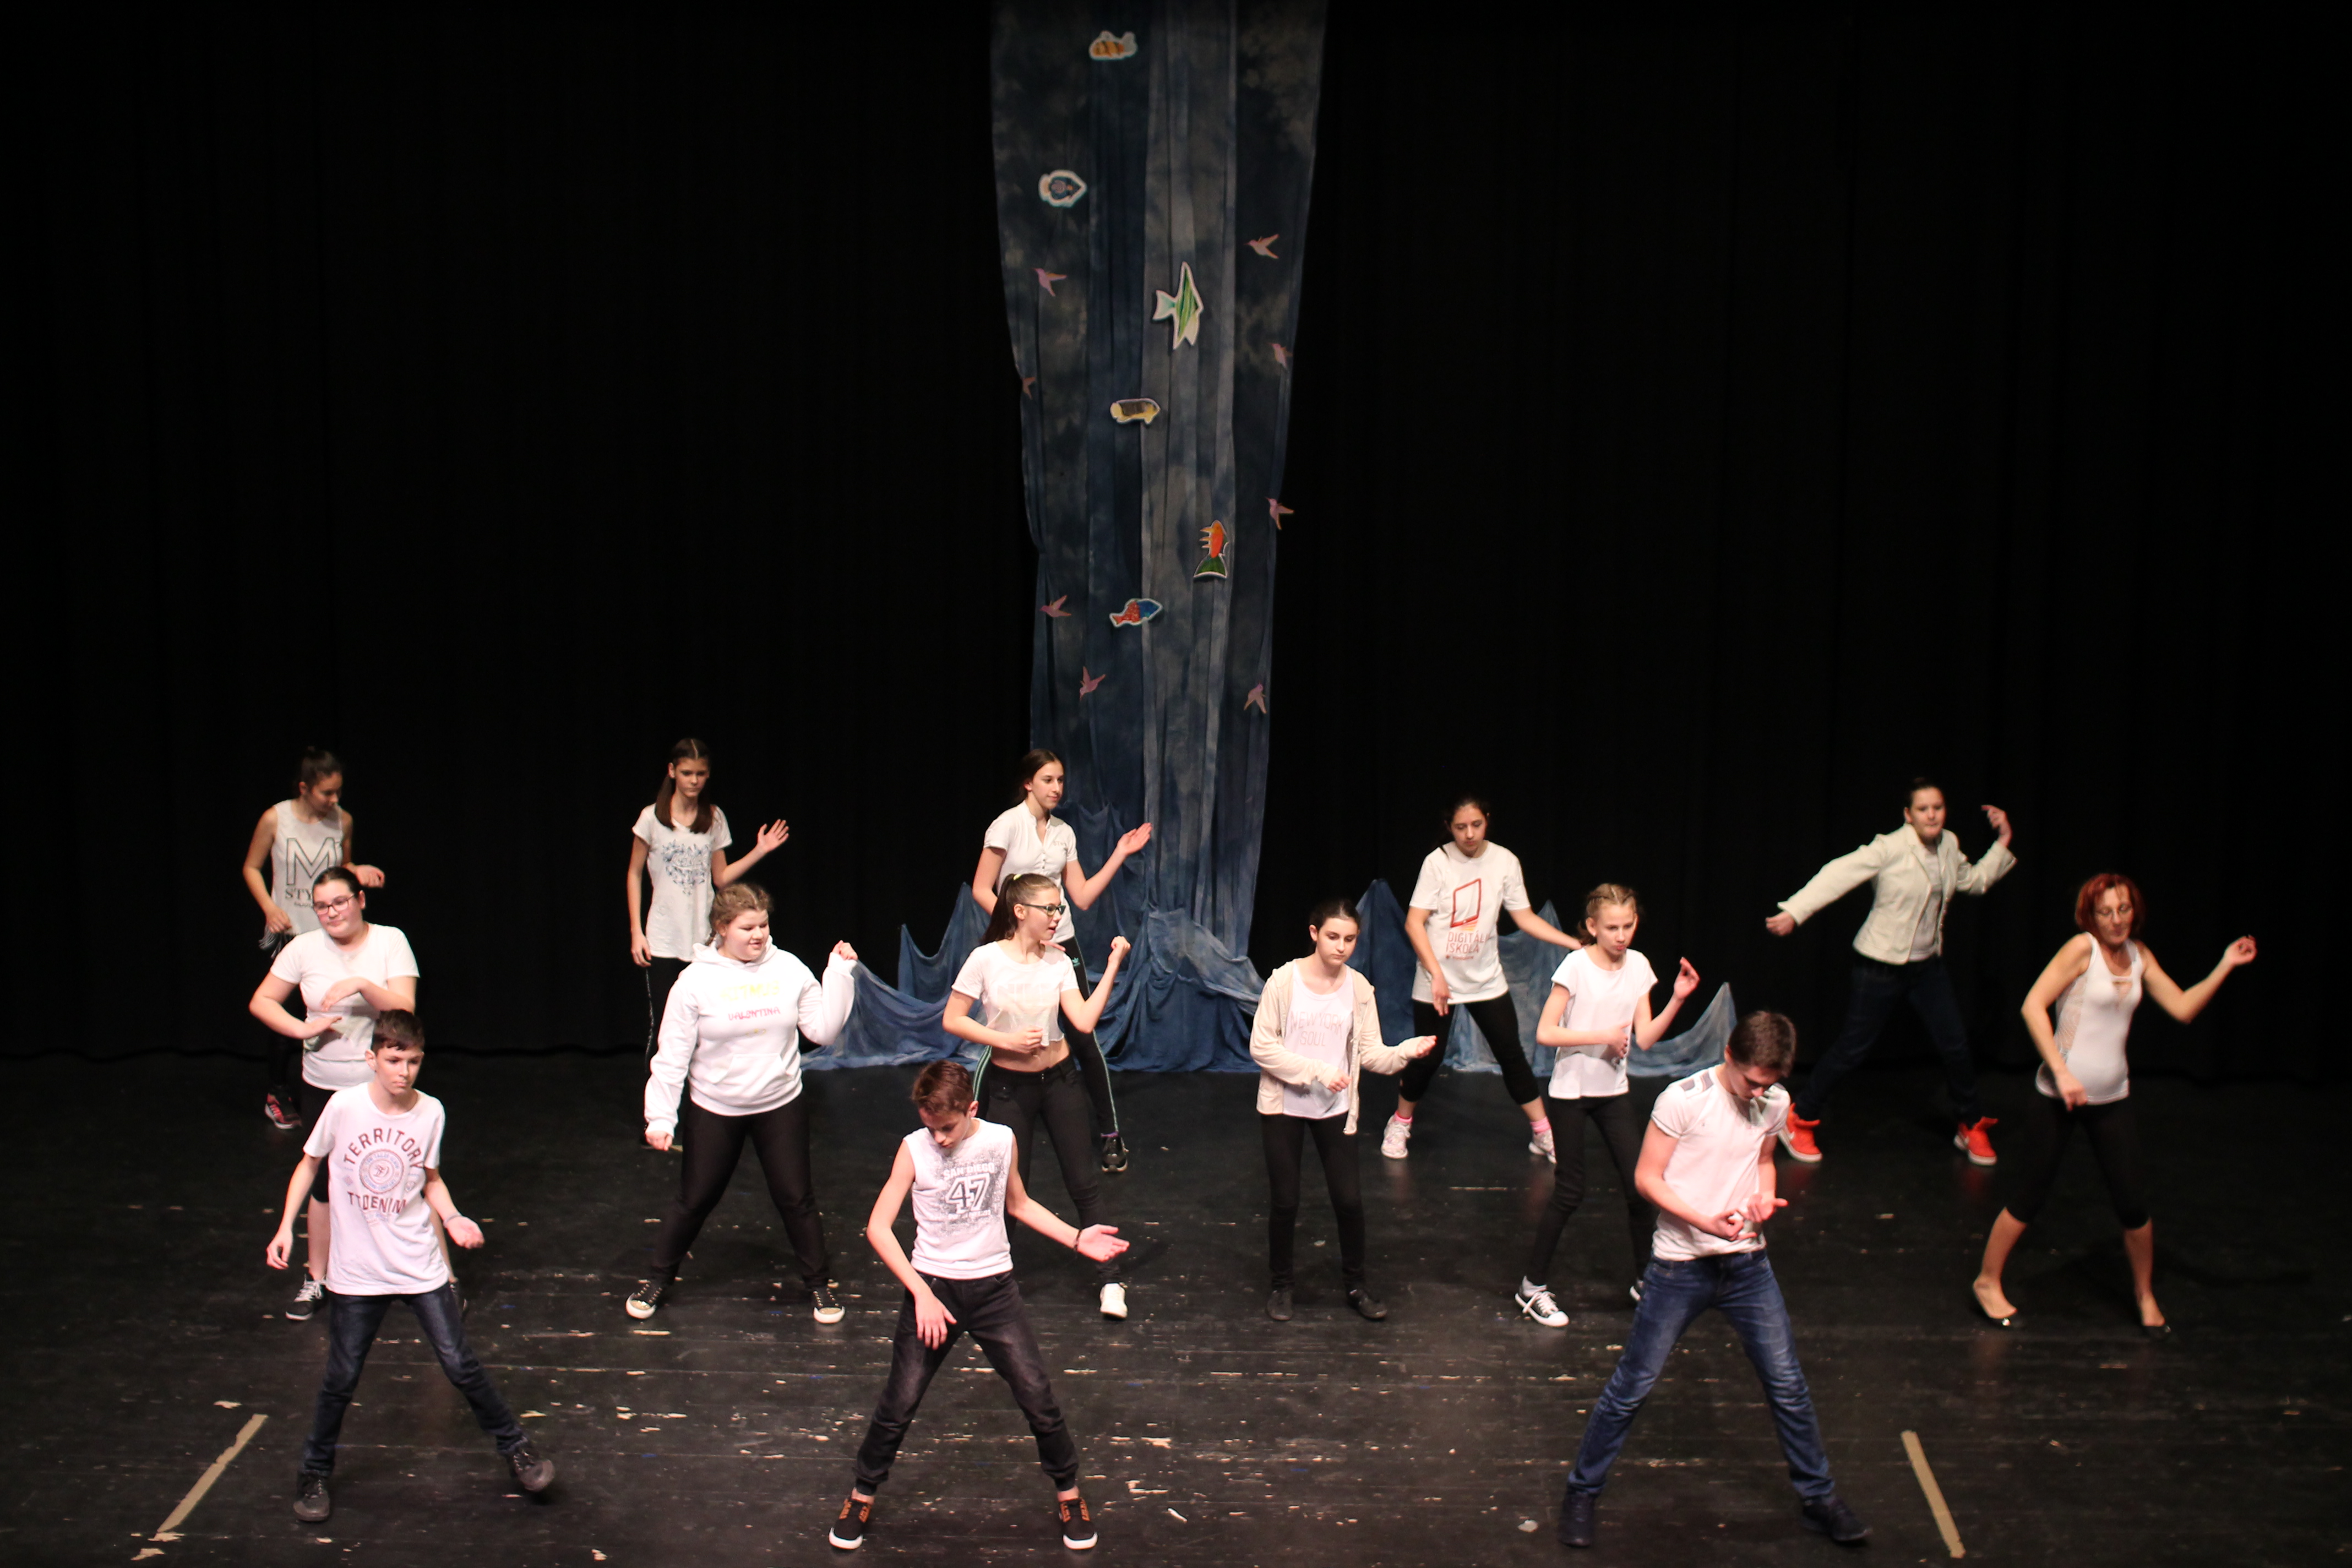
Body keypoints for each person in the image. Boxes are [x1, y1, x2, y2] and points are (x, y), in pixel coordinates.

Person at [1556, 1012, 1869, 1549]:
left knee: (1788, 1386)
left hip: (1747, 1265)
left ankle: (1819, 1498)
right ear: (1728, 1055)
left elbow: (1764, 1160)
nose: (1758, 1092)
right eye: (1751, 1080)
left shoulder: (1775, 1102)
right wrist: (1702, 1220)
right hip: (1680, 1265)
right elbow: (1646, 1178)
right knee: (1633, 1386)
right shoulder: (1683, 1100)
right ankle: (1581, 1493)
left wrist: (1763, 1199)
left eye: (1768, 1083)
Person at [265, 1011, 553, 1522]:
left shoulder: (430, 1112)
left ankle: (518, 1450)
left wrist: (454, 1217)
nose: (404, 1072)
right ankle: (314, 1472)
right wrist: (286, 1226)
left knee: (460, 1364)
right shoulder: (344, 1107)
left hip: (417, 1263)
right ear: (371, 1058)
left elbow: (430, 1178)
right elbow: (309, 1165)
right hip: (357, 1272)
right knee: (341, 1377)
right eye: (394, 1060)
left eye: (414, 1061)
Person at [828, 1060, 1124, 1553]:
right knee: (899, 1404)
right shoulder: (914, 1149)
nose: (939, 1139)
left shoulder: (1001, 1140)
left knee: (1038, 1398)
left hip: (993, 1291)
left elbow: (1019, 1204)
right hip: (934, 1290)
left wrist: (1077, 1238)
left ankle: (1069, 1494)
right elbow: (878, 1227)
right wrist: (922, 1293)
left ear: (971, 1109)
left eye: (947, 1127)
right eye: (931, 1128)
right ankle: (861, 1494)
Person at [1971, 875, 2255, 1336]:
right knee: (2030, 1196)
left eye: (2123, 909)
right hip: (2058, 1096)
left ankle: (2144, 1294)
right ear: (2091, 917)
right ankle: (1986, 1282)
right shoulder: (2081, 950)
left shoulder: (2141, 956)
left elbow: (2183, 1008)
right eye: (2106, 912)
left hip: (2111, 1098)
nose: (2117, 919)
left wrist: (2225, 964)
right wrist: (2062, 1074)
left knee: (2132, 1203)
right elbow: (2032, 1006)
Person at [631, 880, 857, 1324]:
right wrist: (660, 1117)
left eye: (763, 926)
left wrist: (839, 975)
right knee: (694, 1199)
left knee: (796, 1199)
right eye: (747, 928)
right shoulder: (695, 982)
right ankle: (657, 1278)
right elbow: (672, 1055)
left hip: (779, 1104)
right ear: (721, 928)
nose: (758, 935)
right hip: (717, 1108)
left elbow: (823, 1032)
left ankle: (819, 1285)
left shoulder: (788, 968)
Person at [1765, 778, 2016, 1165]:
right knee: (1852, 1048)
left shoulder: (1949, 845)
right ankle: (1800, 1117)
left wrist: (2003, 842)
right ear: (1908, 815)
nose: (1931, 815)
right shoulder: (1890, 848)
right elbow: (1839, 873)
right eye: (1923, 809)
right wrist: (1795, 912)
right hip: (1880, 965)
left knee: (1955, 1045)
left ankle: (1970, 1123)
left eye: (1937, 808)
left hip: (1926, 966)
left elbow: (1975, 882)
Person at [944, 873, 1133, 1318]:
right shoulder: (986, 959)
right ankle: (995, 1281)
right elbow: (953, 1018)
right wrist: (1005, 1041)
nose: (1056, 917)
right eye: (1049, 909)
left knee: (1083, 1181)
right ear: (1020, 911)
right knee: (1010, 1186)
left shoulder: (1057, 961)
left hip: (1060, 1081)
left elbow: (1083, 1021)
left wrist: (1113, 966)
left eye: (1059, 909)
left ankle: (1110, 1279)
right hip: (1010, 1087)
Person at [1516, 885, 1700, 1328]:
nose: (1621, 936)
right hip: (1571, 1094)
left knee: (1641, 1186)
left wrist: (1678, 997)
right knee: (1570, 1191)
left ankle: (1645, 1279)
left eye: (1628, 926)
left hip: (1613, 1092)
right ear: (1592, 927)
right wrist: (1601, 1036)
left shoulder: (1638, 966)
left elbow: (1645, 1037)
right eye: (1612, 927)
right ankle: (1531, 1286)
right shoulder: (1576, 966)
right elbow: (1545, 1032)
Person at [1248, 898, 1436, 1323]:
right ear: (1314, 934)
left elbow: (1371, 1055)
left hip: (1335, 1108)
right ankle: (1282, 1285)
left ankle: (1356, 1285)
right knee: (1285, 1201)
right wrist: (1317, 1070)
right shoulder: (1284, 981)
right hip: (1284, 1106)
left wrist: (1406, 1051)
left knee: (1349, 1201)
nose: (1341, 947)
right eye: (1333, 937)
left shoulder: (1359, 988)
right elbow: (1261, 1047)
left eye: (1350, 939)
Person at [970, 749, 1152, 1174]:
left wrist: (1120, 853)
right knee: (1001, 1037)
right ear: (1028, 783)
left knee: (1083, 1036)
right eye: (1048, 780)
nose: (1056, 788)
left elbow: (1082, 896)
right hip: (1016, 945)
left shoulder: (1063, 833)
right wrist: (1015, 929)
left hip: (1060, 945)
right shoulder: (1006, 826)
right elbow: (982, 887)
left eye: (1061, 780)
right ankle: (973, 1131)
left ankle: (1110, 1134)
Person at [250, 865, 420, 1322]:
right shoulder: (304, 948)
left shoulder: (389, 941)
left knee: (392, 1175)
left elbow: (405, 1008)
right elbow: (262, 1001)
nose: (331, 913)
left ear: (360, 900)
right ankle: (316, 1278)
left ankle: (406, 1272)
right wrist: (301, 1029)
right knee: (325, 1182)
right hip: (323, 1084)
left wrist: (362, 985)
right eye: (321, 906)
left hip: (379, 1086)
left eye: (339, 902)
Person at [1383, 796, 1582, 1161]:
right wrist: (1437, 975)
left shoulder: (1505, 861)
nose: (1469, 834)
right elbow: (1414, 923)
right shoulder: (1438, 862)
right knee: (1427, 1060)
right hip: (1437, 980)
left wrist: (1574, 944)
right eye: (1461, 827)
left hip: (1486, 980)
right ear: (1449, 827)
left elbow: (1525, 918)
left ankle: (1543, 1133)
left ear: (1487, 821)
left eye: (1476, 825)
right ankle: (1400, 1122)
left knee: (1511, 1055)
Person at [240, 748, 386, 1130]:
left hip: (331, 934)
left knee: (333, 1009)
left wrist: (358, 870)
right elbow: (252, 867)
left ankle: (331, 1087)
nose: (334, 800)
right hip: (289, 933)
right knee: (284, 1015)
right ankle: (277, 1091)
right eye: (327, 793)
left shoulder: (343, 820)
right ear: (304, 788)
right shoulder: (276, 818)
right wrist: (269, 908)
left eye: (338, 792)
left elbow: (342, 867)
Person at [627, 737, 789, 1061]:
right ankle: (661, 1092)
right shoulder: (652, 818)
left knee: (707, 1023)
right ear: (672, 771)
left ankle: (703, 1091)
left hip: (704, 937)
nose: (694, 781)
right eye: (687, 773)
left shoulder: (713, 818)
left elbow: (721, 878)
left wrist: (760, 850)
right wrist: (636, 931)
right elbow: (634, 873)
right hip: (663, 938)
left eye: (700, 774)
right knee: (665, 1026)